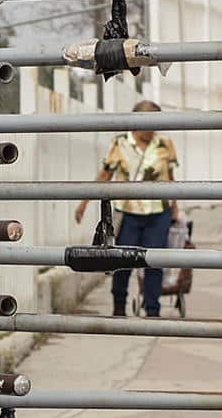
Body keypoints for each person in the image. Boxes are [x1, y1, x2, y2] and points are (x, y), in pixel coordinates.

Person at [73, 100, 180, 318]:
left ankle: (152, 310)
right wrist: (84, 203)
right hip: (128, 213)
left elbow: (170, 177)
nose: (153, 128)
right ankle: (119, 306)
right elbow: (105, 175)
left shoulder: (164, 144)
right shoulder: (120, 143)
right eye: (150, 122)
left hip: (158, 213)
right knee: (122, 261)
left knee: (155, 262)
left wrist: (175, 208)